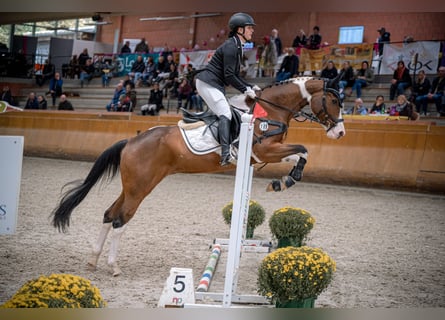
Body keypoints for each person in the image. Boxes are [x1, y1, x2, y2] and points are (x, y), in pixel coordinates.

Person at [195, 12, 258, 166]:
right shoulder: (231, 46)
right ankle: (225, 153)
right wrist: (245, 89)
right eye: (249, 28)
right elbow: (229, 75)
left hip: (213, 83)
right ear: (240, 30)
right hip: (208, 82)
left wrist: (249, 86)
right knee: (225, 113)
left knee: (229, 112)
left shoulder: (237, 45)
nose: (252, 31)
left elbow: (234, 74)